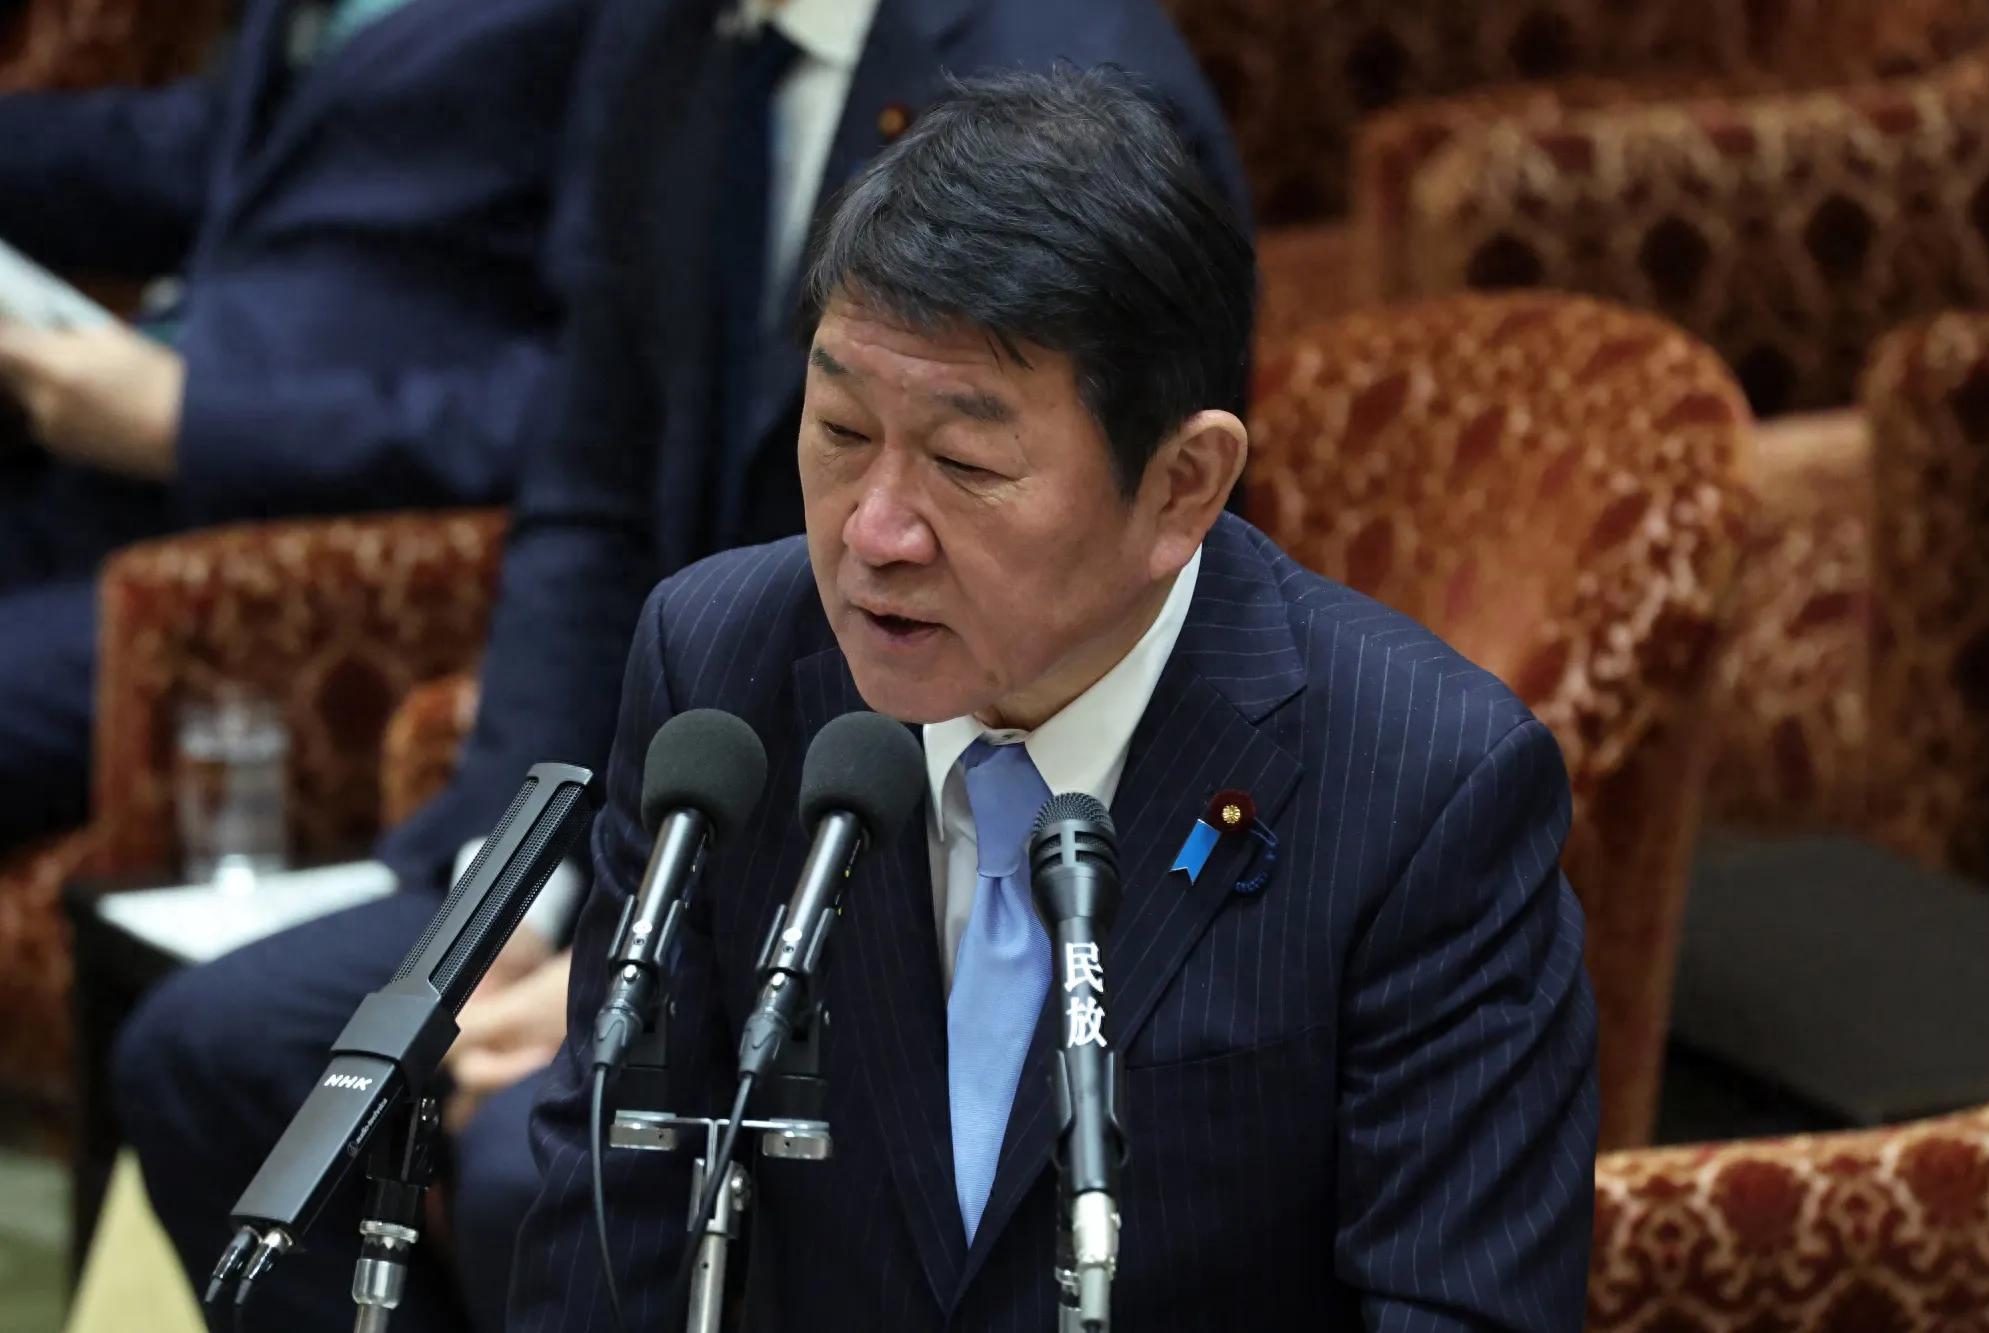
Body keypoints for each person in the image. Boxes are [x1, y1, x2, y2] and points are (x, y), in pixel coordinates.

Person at [111, 4, 1246, 1331]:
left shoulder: (1076, 71)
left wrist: (660, 992)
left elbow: (1086, 626)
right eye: (839, 430)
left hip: (919, 833)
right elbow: (593, 489)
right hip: (672, 797)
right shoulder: (667, 38)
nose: (875, 517)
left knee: (558, 1162)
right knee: (214, 1052)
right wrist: (526, 892)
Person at [511, 68, 1599, 1332]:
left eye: (964, 464)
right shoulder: (720, 676)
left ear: (1182, 486)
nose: (873, 533)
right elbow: (612, 1235)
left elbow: (1454, 1306)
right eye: (841, 431)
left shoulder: (1422, 787)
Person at [0, 0, 591, 849]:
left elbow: (581, 405)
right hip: (98, 482)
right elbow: (228, 154)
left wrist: (193, 421)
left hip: (276, 563)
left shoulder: (643, 33)